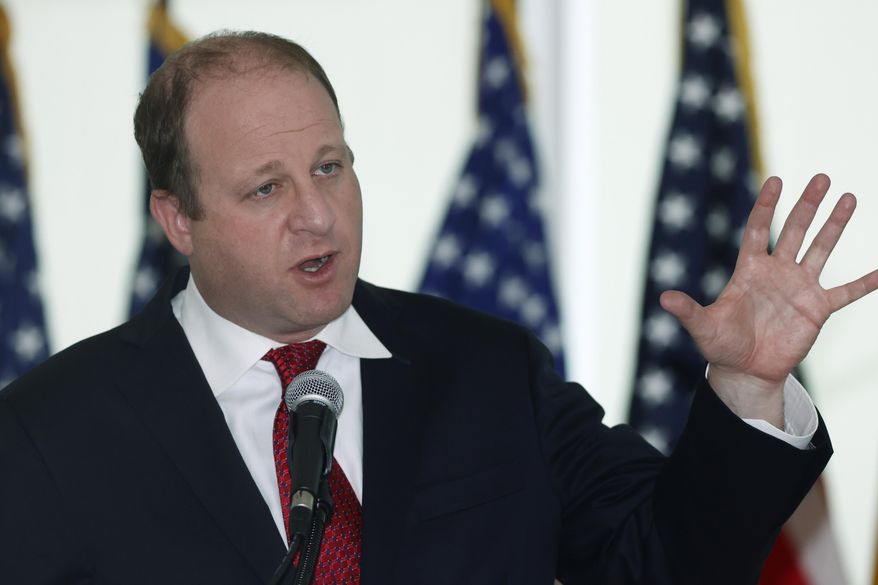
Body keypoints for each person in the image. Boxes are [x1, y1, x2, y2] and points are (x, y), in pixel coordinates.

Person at [1, 31, 874, 585]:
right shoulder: (52, 432)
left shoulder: (490, 372)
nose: (317, 212)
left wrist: (749, 387)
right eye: (266, 188)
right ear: (177, 219)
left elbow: (666, 560)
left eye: (331, 167)